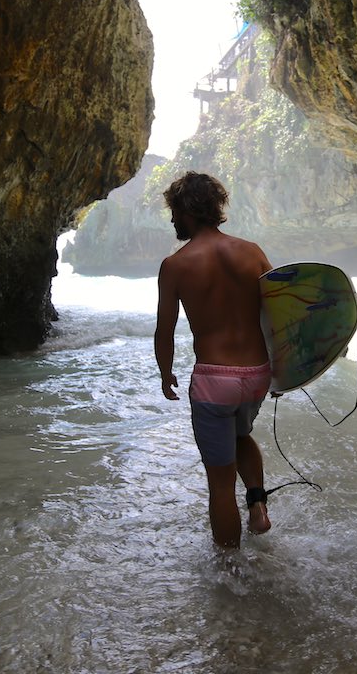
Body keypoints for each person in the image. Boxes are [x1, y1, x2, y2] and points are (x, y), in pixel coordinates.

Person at [153, 171, 273, 548]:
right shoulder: (252, 251)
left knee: (220, 486)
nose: (173, 220)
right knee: (241, 434)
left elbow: (165, 329)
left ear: (188, 210)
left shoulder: (176, 265)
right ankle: (257, 504)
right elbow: (282, 308)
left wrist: (165, 372)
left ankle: (230, 577)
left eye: (174, 211)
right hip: (256, 376)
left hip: (213, 381)